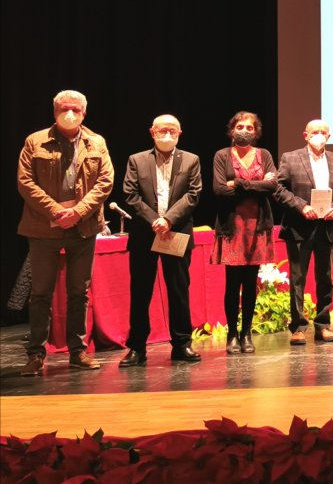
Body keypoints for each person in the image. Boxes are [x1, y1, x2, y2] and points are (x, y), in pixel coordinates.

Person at [18, 90, 114, 376]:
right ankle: (36, 354)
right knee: (41, 293)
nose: (69, 113)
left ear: (84, 113)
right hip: (43, 227)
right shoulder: (35, 141)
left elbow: (105, 181)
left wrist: (78, 212)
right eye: (63, 108)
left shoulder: (97, 142)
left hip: (82, 228)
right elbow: (25, 182)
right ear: (54, 111)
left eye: (74, 109)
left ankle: (77, 351)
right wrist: (56, 211)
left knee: (78, 292)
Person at [120, 114, 203, 367]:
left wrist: (168, 220)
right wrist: (154, 219)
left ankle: (181, 344)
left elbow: (193, 194)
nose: (167, 134)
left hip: (176, 232)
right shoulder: (137, 160)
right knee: (141, 291)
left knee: (178, 289)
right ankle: (136, 347)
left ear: (180, 133)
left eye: (172, 130)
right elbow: (130, 194)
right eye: (162, 130)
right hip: (145, 234)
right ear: (152, 132)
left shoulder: (191, 160)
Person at [275, 119, 333, 346]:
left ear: (329, 136)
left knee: (325, 278)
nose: (319, 135)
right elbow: (279, 189)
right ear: (305, 135)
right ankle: (298, 327)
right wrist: (301, 206)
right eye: (314, 132)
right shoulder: (290, 158)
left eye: (323, 132)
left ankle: (323, 325)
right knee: (298, 279)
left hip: (326, 227)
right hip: (299, 227)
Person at [212, 111, 277, 354]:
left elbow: (272, 186)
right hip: (232, 227)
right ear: (231, 130)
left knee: (251, 284)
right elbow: (219, 190)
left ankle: (246, 333)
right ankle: (231, 334)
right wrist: (257, 186)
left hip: (257, 227)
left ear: (256, 132)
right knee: (232, 284)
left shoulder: (265, 155)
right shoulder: (221, 155)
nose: (244, 131)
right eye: (240, 126)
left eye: (250, 128)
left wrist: (239, 184)